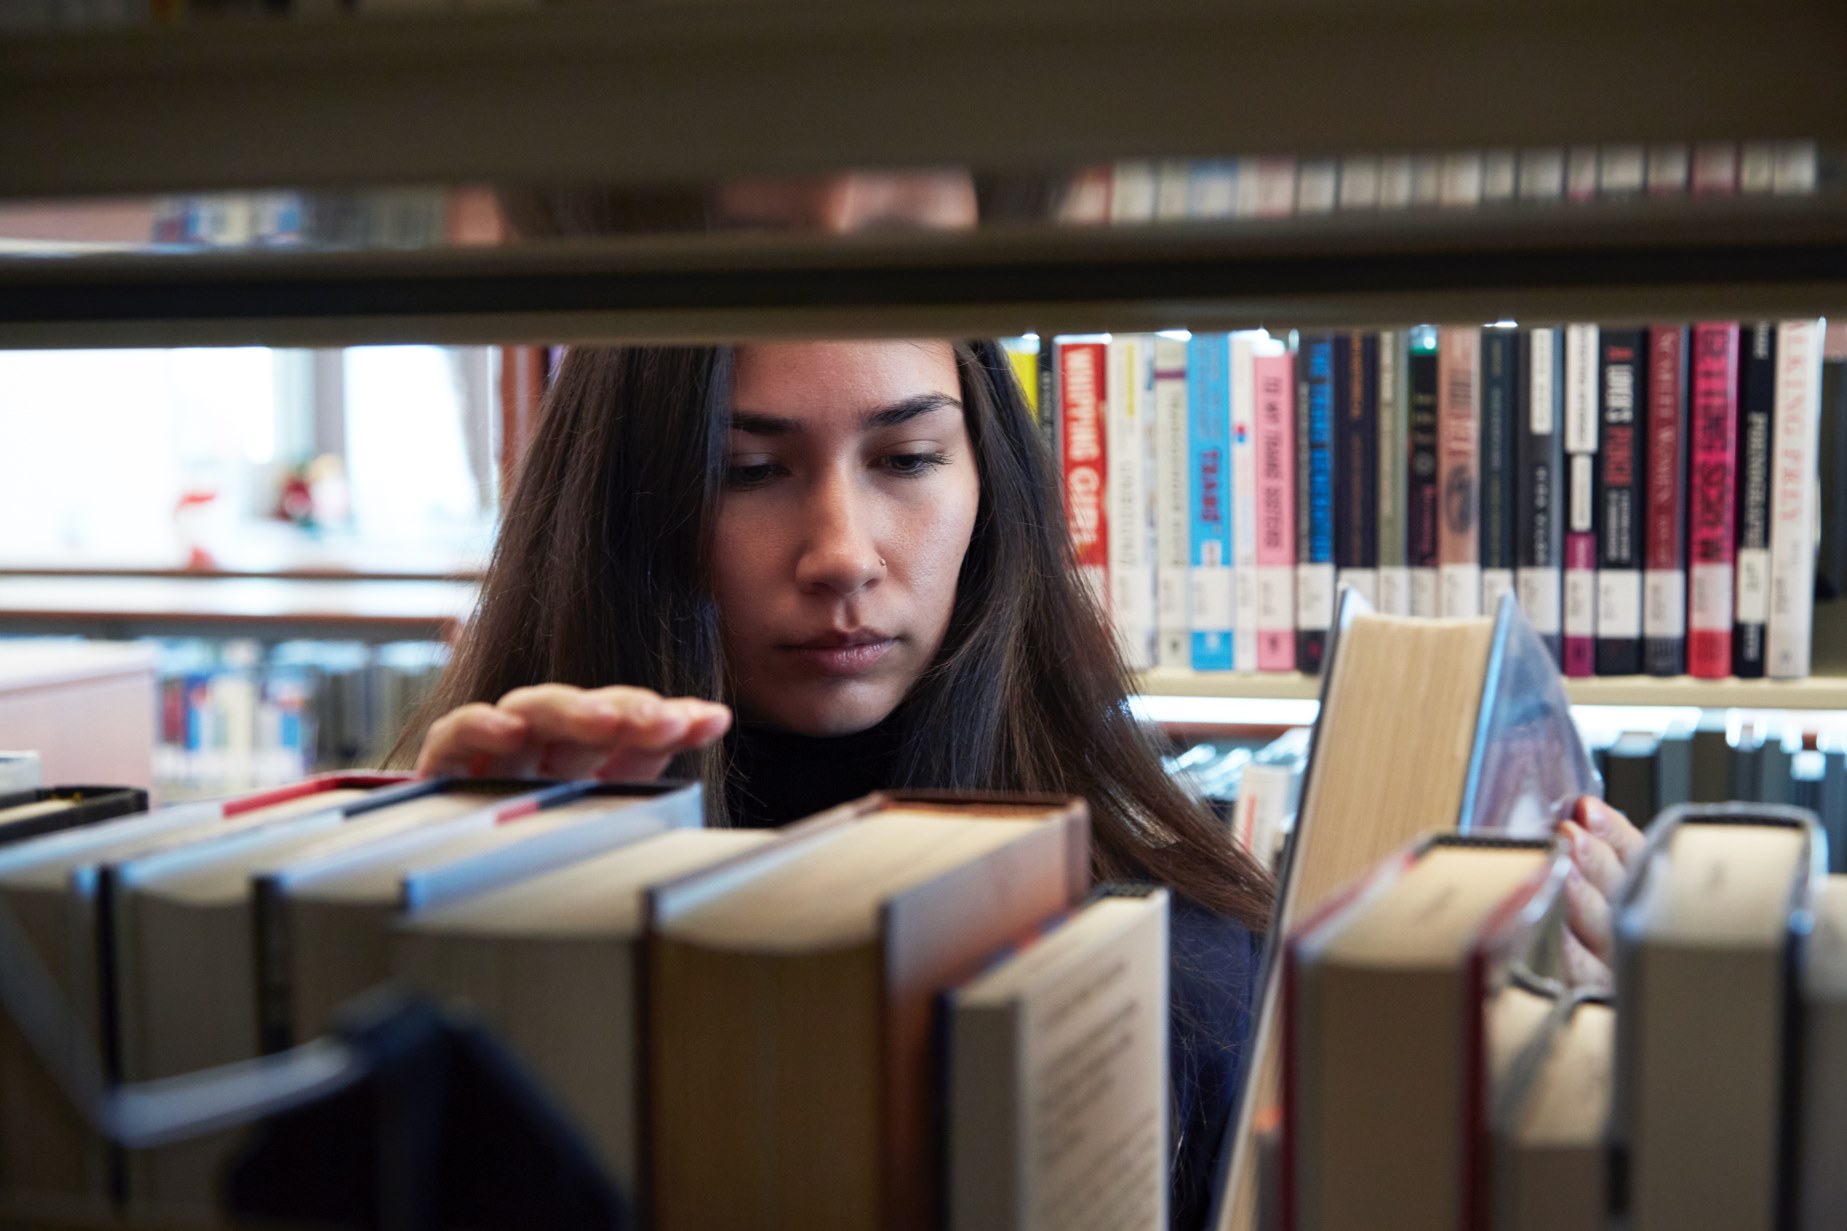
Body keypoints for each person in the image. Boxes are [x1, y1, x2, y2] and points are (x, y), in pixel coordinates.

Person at [404, 330, 1648, 1228]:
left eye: (904, 457)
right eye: (749, 469)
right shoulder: (488, 850)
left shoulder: (1188, 965)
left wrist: (1567, 1099)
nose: (842, 553)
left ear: (986, 484)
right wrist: (419, 935)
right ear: (629, 509)